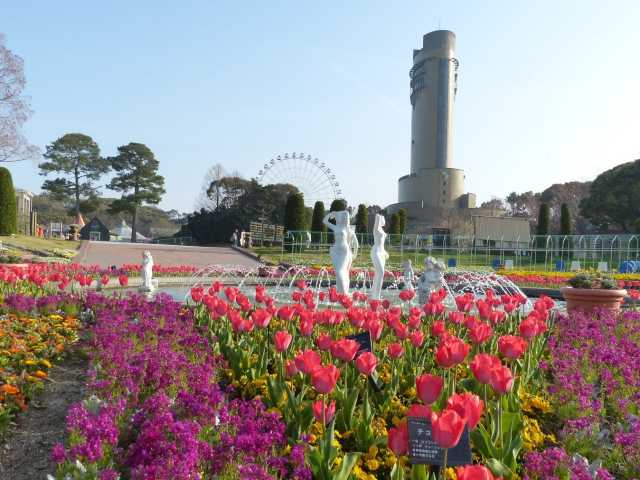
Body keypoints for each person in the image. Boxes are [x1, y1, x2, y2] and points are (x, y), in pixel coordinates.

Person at [323, 210, 358, 294]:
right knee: (338, 272)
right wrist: (331, 214)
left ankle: (344, 294)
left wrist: (354, 254)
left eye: (344, 216)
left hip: (344, 252)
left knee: (340, 271)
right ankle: (341, 292)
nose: (342, 217)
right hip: (335, 252)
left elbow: (356, 243)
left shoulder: (348, 229)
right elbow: (324, 221)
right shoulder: (336, 227)